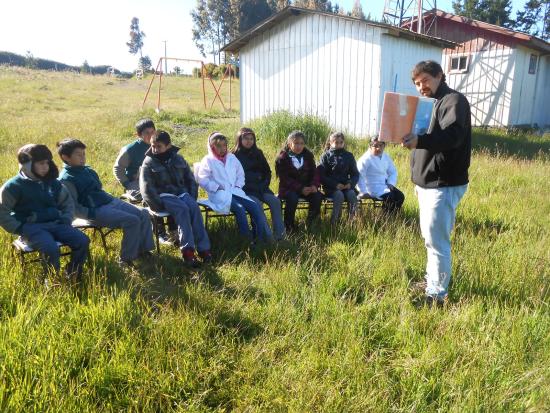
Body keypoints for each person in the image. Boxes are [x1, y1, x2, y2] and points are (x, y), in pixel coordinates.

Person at [402, 60, 471, 306]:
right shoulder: (428, 103)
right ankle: (432, 282)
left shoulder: (454, 101)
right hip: (426, 182)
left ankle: (437, 296)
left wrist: (419, 141)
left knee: (438, 241)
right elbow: (425, 135)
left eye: (426, 81)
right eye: (418, 83)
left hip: (443, 183)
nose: (422, 86)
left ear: (440, 75)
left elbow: (452, 136)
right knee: (429, 238)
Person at [57, 138, 154, 268]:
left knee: (143, 213)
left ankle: (143, 250)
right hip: (94, 211)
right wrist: (91, 213)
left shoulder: (87, 170)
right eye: (78, 154)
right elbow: (73, 208)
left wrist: (110, 199)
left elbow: (98, 189)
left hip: (108, 201)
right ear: (65, 157)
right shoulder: (66, 180)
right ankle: (125, 260)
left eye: (84, 154)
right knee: (132, 221)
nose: (83, 157)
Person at [0, 144, 89, 281]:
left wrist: (66, 219)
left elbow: (67, 203)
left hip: (57, 223)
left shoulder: (52, 183)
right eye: (41, 163)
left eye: (47, 163)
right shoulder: (13, 186)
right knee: (50, 248)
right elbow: (3, 212)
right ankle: (51, 280)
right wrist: (19, 228)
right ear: (27, 164)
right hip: (32, 228)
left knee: (82, 241)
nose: (46, 167)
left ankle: (73, 273)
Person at [140, 131, 212, 267]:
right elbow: (146, 188)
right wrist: (158, 205)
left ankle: (204, 249)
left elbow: (190, 180)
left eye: (158, 146)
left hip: (182, 194)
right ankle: (188, 252)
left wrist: (191, 196)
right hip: (164, 196)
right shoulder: (148, 162)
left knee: (194, 208)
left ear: (168, 145)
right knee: (182, 210)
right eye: (153, 146)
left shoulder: (178, 159)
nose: (154, 149)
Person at [197, 132, 273, 243]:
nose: (222, 149)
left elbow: (240, 174)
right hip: (219, 194)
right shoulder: (208, 160)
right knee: (239, 208)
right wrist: (217, 187)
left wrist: (238, 185)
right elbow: (202, 179)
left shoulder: (231, 158)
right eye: (218, 146)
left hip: (235, 191)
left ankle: (260, 238)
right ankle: (246, 239)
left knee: (255, 206)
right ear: (211, 147)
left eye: (224, 145)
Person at [232, 127, 285, 241]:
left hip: (262, 188)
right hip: (246, 190)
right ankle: (267, 237)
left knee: (275, 201)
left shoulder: (258, 153)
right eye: (245, 138)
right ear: (239, 140)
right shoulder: (234, 156)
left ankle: (280, 236)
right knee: (257, 204)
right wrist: (250, 185)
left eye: (251, 139)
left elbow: (267, 172)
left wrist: (264, 184)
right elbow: (234, 177)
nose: (249, 141)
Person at [275, 130, 322, 232]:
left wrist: (314, 185)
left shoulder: (308, 156)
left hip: (307, 188)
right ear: (289, 144)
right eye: (296, 143)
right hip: (288, 189)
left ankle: (311, 224)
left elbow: (315, 172)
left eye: (301, 143)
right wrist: (301, 188)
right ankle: (289, 226)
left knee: (317, 196)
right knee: (292, 198)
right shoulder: (282, 158)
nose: (299, 146)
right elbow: (285, 178)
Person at [318, 131, 359, 225]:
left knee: (352, 194)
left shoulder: (349, 156)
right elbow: (322, 176)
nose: (339, 144)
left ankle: (352, 221)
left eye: (341, 142)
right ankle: (335, 222)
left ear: (344, 143)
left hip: (346, 186)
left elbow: (355, 174)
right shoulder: (325, 156)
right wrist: (335, 185)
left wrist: (350, 183)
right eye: (336, 142)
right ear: (331, 143)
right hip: (331, 187)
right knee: (339, 195)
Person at [356, 136, 405, 214]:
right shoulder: (365, 159)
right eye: (375, 146)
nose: (378, 148)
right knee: (389, 196)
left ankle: (394, 216)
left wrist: (390, 183)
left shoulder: (385, 156)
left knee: (400, 196)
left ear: (384, 146)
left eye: (381, 145)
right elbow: (359, 176)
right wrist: (363, 191)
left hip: (384, 184)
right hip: (371, 186)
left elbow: (392, 171)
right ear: (370, 146)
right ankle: (386, 217)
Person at [113, 118, 156, 202]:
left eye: (152, 132)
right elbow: (118, 168)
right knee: (145, 195)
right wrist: (127, 183)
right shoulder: (130, 149)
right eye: (147, 133)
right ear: (138, 135)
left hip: (154, 177)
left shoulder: (158, 144)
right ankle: (131, 194)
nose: (150, 135)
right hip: (136, 180)